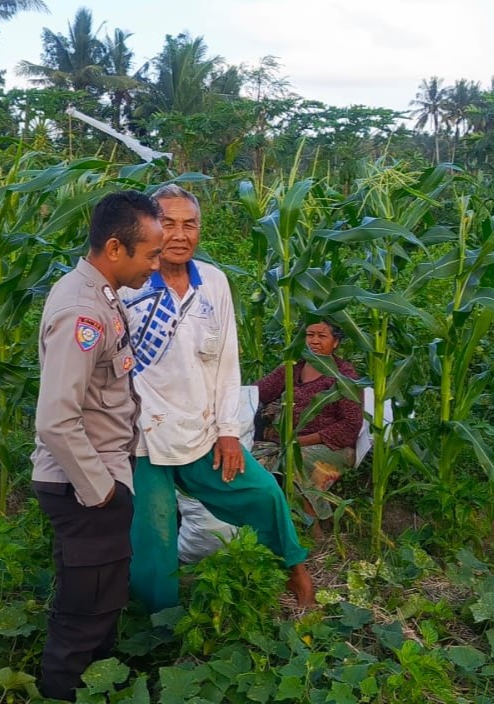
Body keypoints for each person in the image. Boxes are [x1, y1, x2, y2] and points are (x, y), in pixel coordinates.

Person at [121, 184, 315, 613]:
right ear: (149, 228)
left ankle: (297, 574)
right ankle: (158, 630)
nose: (179, 234)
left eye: (189, 225)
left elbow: (227, 362)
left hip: (200, 431)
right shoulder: (129, 283)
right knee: (153, 539)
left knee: (262, 494)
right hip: (144, 439)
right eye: (168, 223)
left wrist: (228, 432)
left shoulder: (213, 282)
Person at [30, 191, 163, 701]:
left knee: (103, 603)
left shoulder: (101, 295)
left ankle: (98, 688)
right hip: (83, 486)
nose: (156, 264)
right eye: (149, 254)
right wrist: (101, 492)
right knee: (84, 612)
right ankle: (63, 692)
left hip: (97, 479)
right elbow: (56, 420)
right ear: (114, 247)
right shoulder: (82, 311)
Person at [253, 320, 363, 524]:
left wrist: (298, 442)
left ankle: (312, 527)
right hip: (283, 442)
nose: (314, 341)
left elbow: (350, 425)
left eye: (322, 336)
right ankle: (269, 524)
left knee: (293, 461)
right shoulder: (293, 368)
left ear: (336, 342)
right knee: (250, 465)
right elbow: (258, 391)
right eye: (310, 335)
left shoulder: (344, 376)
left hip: (328, 446)